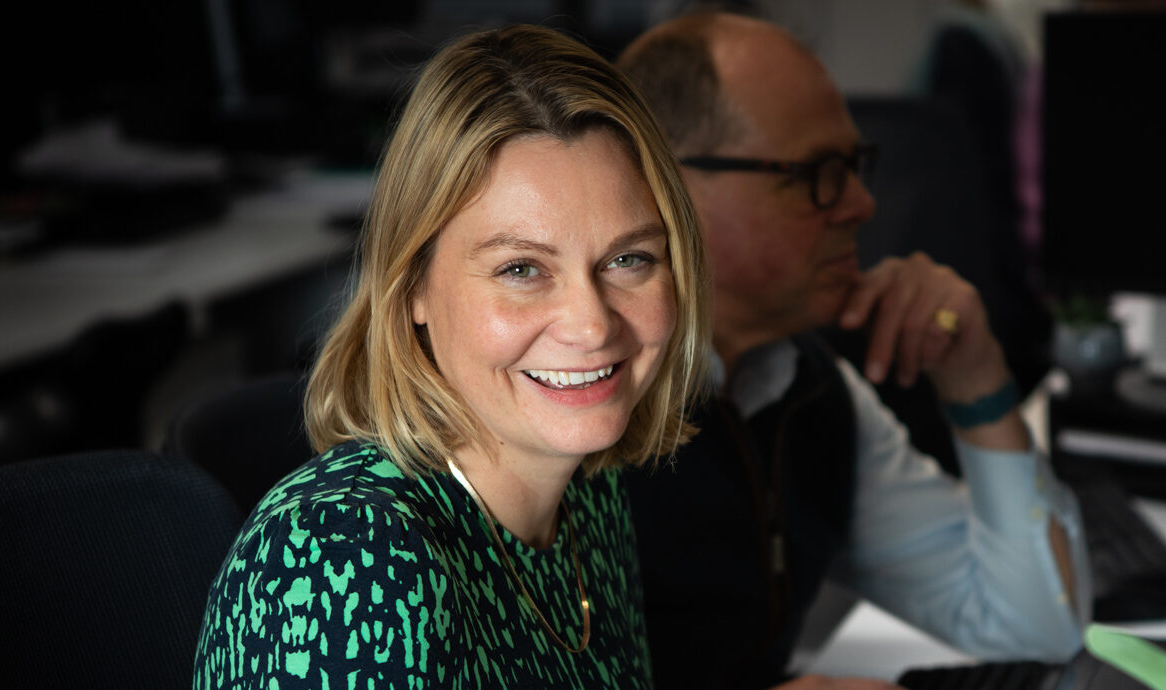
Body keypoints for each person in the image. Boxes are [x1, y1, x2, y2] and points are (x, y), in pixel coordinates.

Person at [192, 24, 710, 689]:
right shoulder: (344, 565)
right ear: (413, 286)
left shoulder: (587, 484)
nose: (590, 325)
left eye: (628, 259)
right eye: (522, 269)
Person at [616, 11, 1089, 689]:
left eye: (854, 167)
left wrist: (977, 380)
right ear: (671, 189)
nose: (863, 204)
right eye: (819, 172)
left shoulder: (808, 387)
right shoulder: (576, 403)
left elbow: (1035, 628)